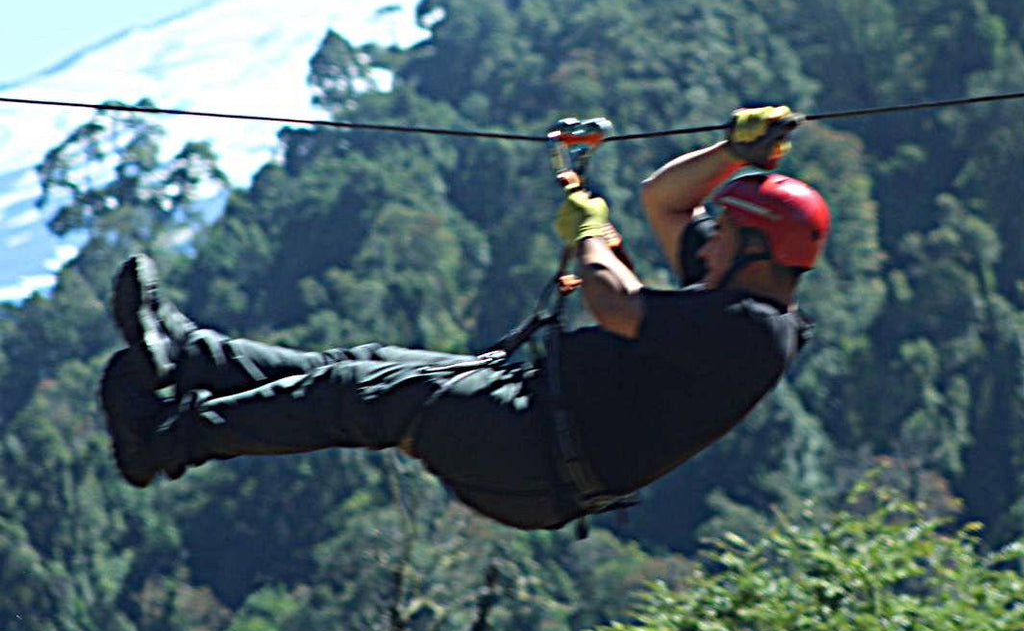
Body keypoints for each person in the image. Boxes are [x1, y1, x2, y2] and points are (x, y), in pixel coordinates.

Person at [100, 106, 829, 531]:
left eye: (730, 230)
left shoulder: (750, 330)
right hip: (534, 417)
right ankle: (188, 355)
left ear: (759, 250)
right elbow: (663, 199)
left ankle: (163, 442)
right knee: (361, 364)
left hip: (538, 460)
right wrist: (734, 155)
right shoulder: (732, 285)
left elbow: (612, 303)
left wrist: (590, 233)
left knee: (360, 395)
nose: (713, 237)